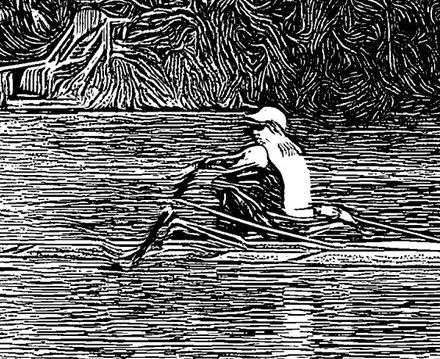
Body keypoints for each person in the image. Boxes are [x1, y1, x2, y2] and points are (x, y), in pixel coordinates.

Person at [115, 106, 356, 268]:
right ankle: (226, 231)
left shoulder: (261, 151)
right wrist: (333, 211)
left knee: (222, 189)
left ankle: (147, 251)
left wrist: (198, 166)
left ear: (273, 128)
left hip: (283, 223)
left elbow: (229, 165)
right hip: (304, 215)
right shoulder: (293, 149)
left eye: (258, 127)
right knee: (241, 188)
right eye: (254, 126)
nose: (253, 131)